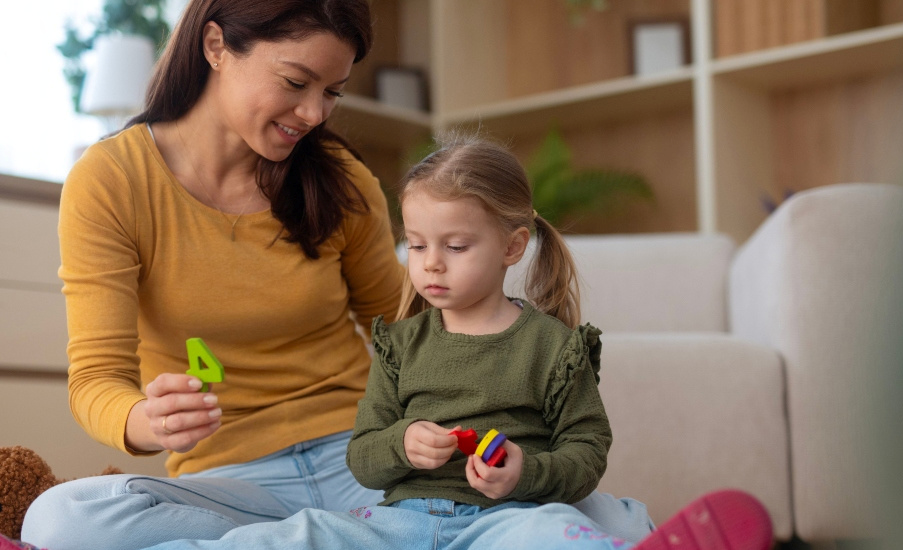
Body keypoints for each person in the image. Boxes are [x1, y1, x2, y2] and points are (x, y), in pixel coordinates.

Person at [0, 0, 654, 550]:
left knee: (572, 503)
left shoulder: (338, 179)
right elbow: (95, 378)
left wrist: (478, 423)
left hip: (365, 457)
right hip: (234, 481)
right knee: (63, 516)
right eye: (295, 82)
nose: (314, 114)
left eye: (333, 92)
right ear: (216, 44)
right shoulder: (111, 181)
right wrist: (140, 419)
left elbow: (409, 323)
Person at [121, 136, 773, 550]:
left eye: (456, 247)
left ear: (512, 247)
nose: (430, 264)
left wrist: (527, 472)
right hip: (399, 521)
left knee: (556, 537)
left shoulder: (552, 346)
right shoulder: (400, 344)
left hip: (508, 521)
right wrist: (401, 444)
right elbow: (364, 458)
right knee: (305, 535)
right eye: (418, 245)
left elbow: (586, 452)